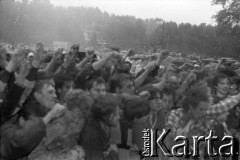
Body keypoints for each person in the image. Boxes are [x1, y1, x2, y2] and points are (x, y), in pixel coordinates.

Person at [79, 95, 120, 160]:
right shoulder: (91, 136)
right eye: (116, 115)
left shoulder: (104, 123)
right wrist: (113, 152)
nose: (119, 117)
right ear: (104, 116)